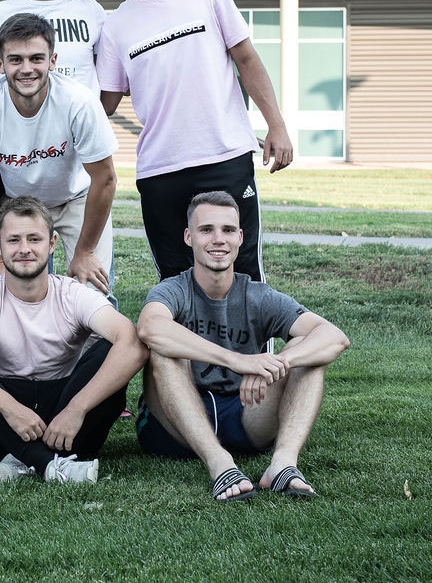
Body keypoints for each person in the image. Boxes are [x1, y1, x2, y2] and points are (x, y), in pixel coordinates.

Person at [97, 0, 293, 282]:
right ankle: (189, 344)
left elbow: (248, 60)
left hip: (225, 155)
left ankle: (253, 345)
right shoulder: (115, 26)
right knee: (176, 278)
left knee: (242, 271)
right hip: (160, 170)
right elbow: (103, 104)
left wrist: (277, 126)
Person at [136, 191, 349, 501]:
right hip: (174, 426)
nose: (218, 239)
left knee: (306, 348)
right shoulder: (172, 289)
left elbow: (334, 336)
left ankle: (282, 465)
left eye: (227, 230)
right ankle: (220, 465)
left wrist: (279, 363)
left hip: (246, 413)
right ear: (188, 237)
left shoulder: (258, 296)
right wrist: (237, 360)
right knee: (165, 351)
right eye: (206, 230)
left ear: (240, 237)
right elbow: (149, 328)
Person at [0, 196, 146, 483]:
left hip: (66, 425)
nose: (25, 249)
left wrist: (76, 410)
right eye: (14, 240)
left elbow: (133, 344)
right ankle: (51, 466)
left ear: (52, 244)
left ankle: (18, 464)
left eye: (34, 239)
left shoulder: (71, 293)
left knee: (112, 349)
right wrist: (10, 408)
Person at [0, 13, 118, 300]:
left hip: (76, 199)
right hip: (18, 204)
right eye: (15, 59)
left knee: (92, 293)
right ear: (0, 65)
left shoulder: (79, 102)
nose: (26, 69)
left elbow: (104, 180)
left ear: (52, 61)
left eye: (36, 58)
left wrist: (85, 251)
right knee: (13, 293)